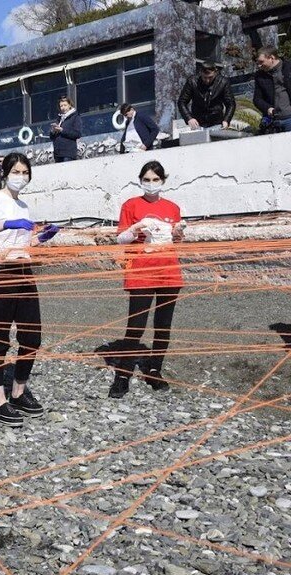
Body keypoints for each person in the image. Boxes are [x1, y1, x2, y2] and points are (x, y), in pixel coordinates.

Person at [0, 153, 60, 428]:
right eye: (16, 171)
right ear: (6, 173)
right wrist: (7, 223)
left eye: (25, 172)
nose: (21, 176)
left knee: (32, 335)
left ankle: (19, 392)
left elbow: (22, 241)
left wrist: (39, 238)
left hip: (23, 270)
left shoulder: (23, 205)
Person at [109, 160, 186, 399]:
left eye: (155, 180)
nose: (151, 184)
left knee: (163, 325)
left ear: (163, 181)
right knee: (136, 325)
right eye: (147, 180)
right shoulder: (131, 205)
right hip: (140, 272)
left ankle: (155, 370)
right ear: (140, 181)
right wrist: (136, 229)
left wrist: (178, 233)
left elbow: (176, 241)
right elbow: (120, 239)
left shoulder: (172, 207)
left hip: (168, 272)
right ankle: (123, 375)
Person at [177, 61, 235, 130]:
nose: (207, 80)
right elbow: (182, 101)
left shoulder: (223, 82)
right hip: (197, 123)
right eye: (204, 77)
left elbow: (231, 103)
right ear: (200, 73)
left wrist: (226, 120)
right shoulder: (192, 81)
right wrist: (189, 118)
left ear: (215, 73)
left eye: (210, 77)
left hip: (217, 123)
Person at [253, 45, 291, 133]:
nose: (259, 65)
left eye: (261, 62)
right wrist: (267, 108)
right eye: (258, 62)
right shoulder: (260, 76)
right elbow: (257, 99)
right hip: (274, 121)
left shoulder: (288, 68)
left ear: (271, 58)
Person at [50, 96, 82, 162]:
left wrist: (62, 130)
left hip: (68, 154)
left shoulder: (75, 117)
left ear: (69, 105)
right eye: (61, 106)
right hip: (58, 154)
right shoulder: (59, 118)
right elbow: (52, 137)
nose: (63, 108)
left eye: (65, 105)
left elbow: (77, 134)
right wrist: (52, 131)